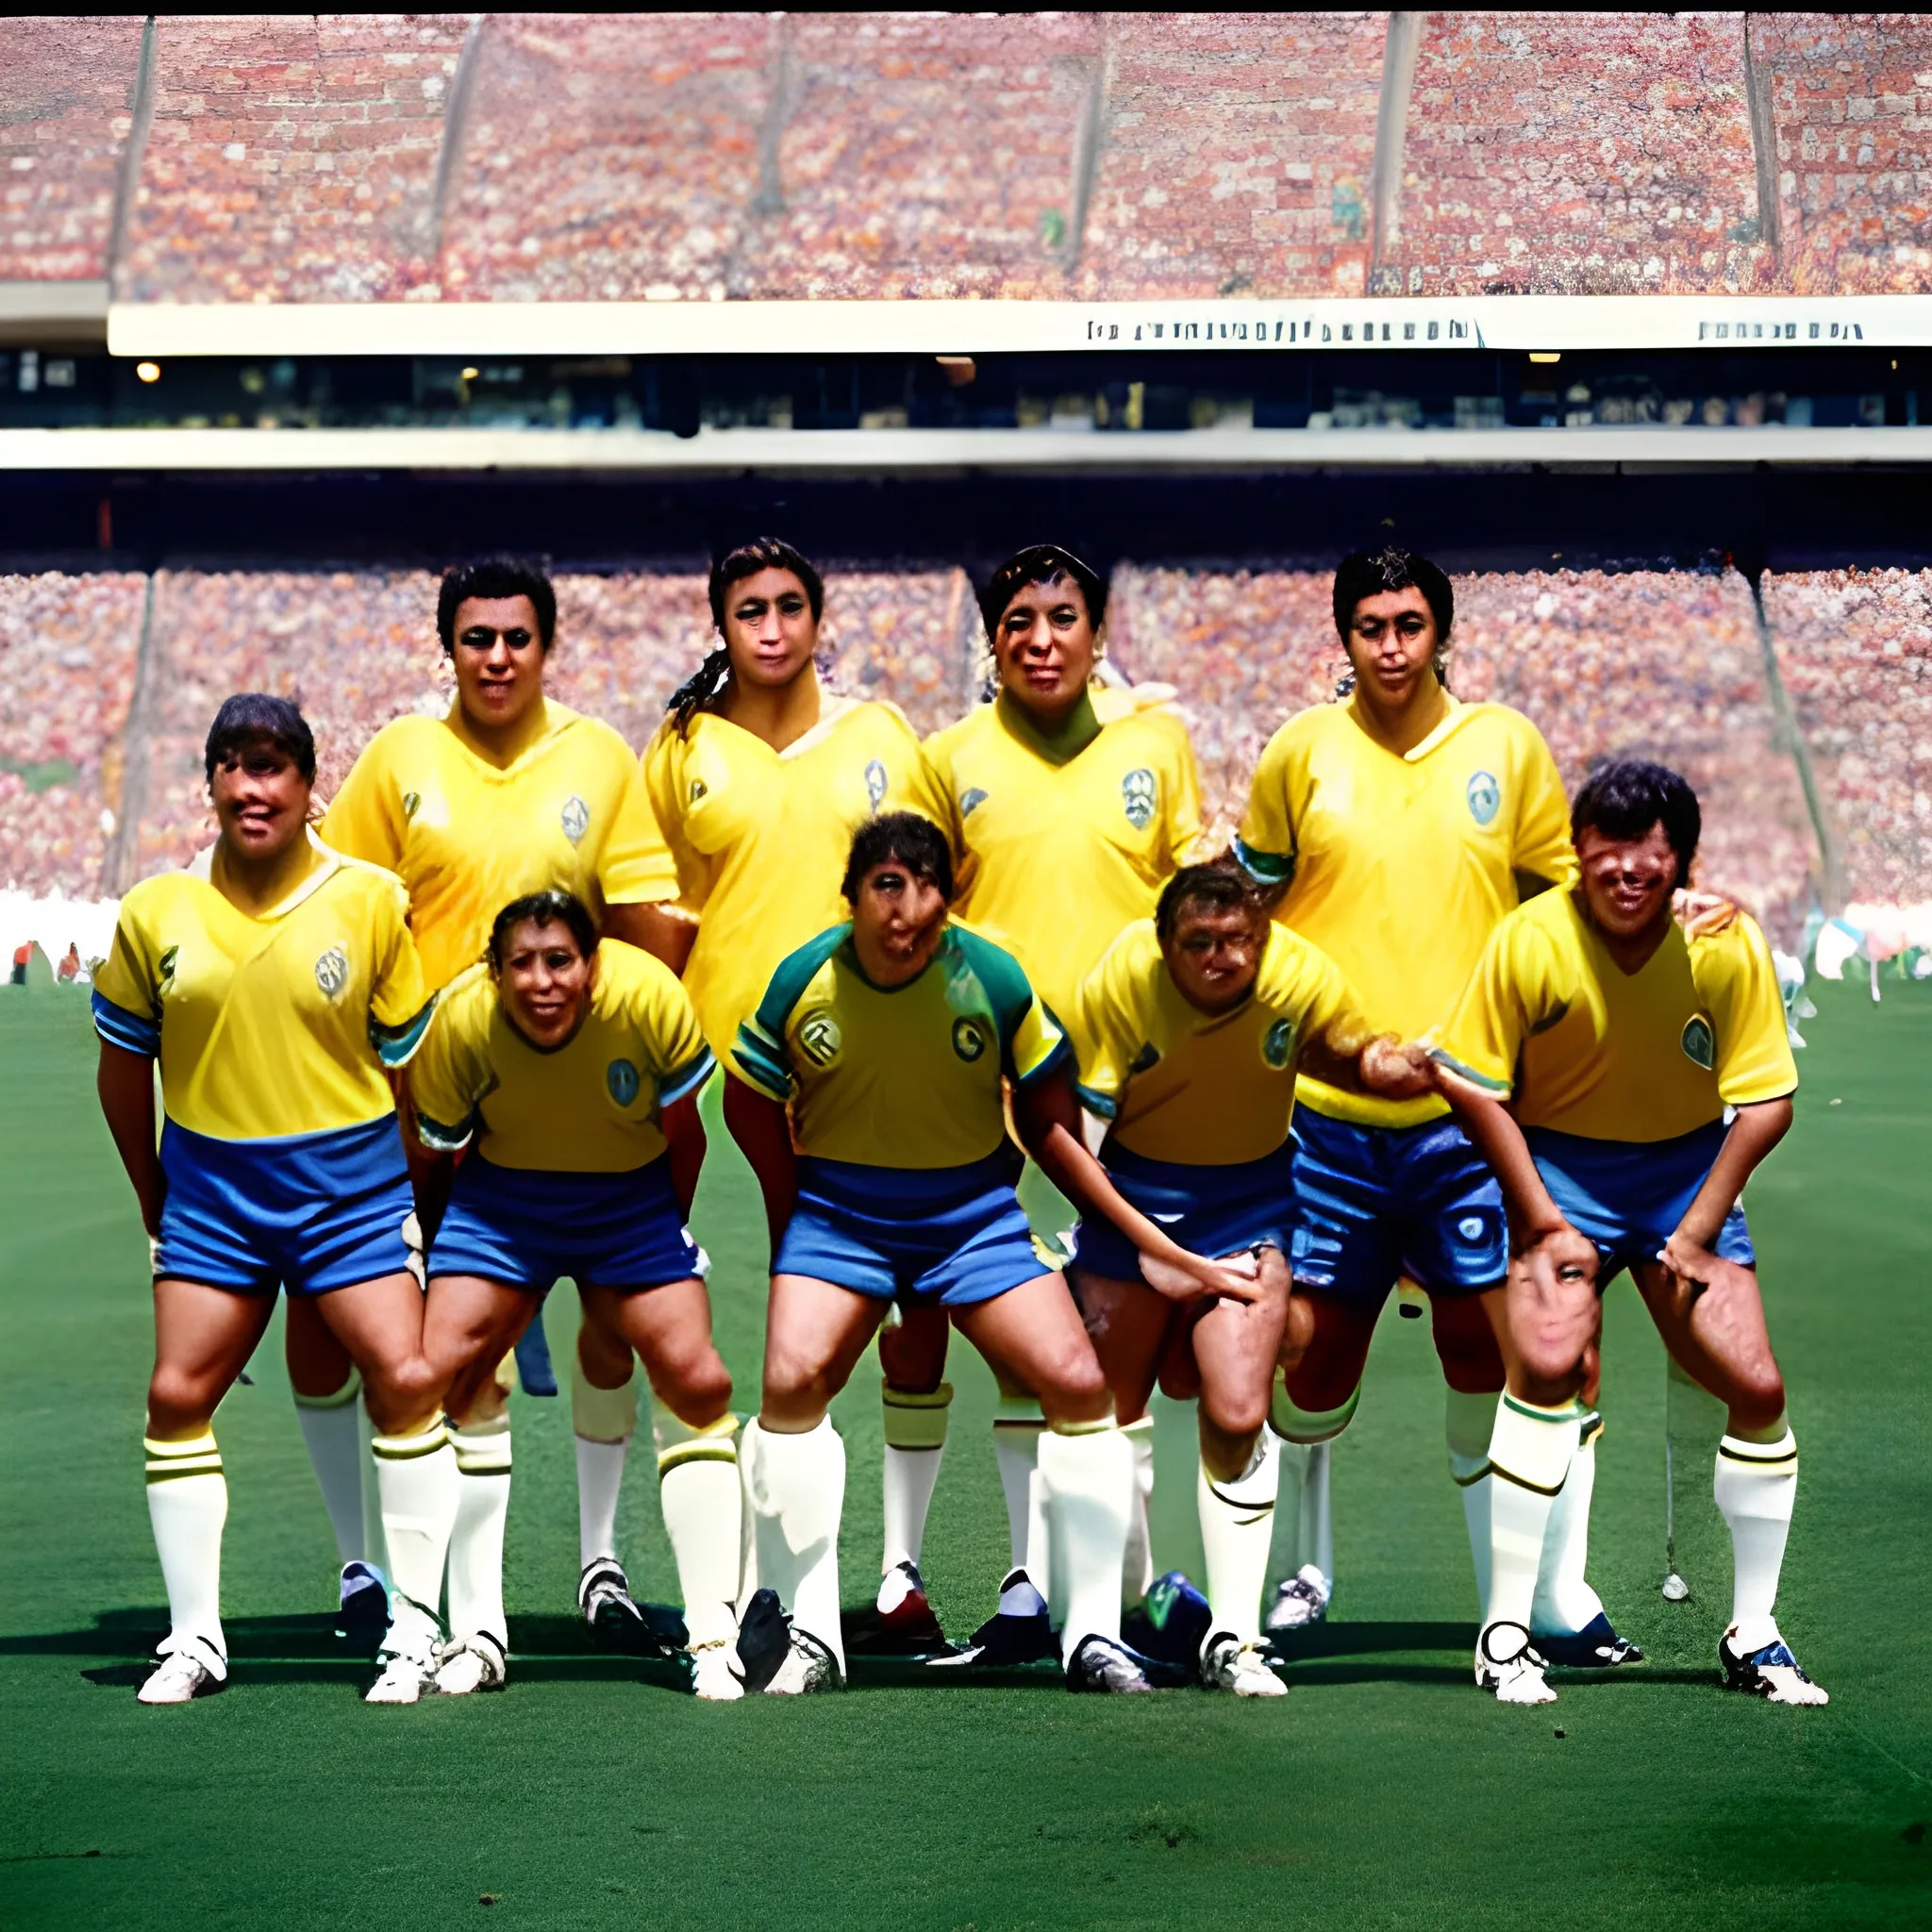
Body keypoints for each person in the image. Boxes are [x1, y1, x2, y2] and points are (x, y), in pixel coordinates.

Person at [725, 813, 1257, 1694]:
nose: (907, 907)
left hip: (970, 1216)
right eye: (886, 886)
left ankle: (1090, 1636)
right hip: (840, 1215)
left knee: (1079, 1387)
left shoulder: (995, 978)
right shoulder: (802, 978)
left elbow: (1050, 1126)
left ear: (951, 893)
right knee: (790, 1382)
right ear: (853, 895)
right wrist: (795, 1225)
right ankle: (811, 1634)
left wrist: (1158, 1246)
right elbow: (750, 1107)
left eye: (925, 885)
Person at [1235, 546, 1636, 1662]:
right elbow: (1241, 910)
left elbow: (1570, 904)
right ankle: (1276, 1570)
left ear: (1439, 631)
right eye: (1369, 625)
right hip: (1321, 1112)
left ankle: (1553, 1596)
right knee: (1306, 1360)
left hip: (1471, 1116)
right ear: (1343, 637)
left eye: (1408, 622)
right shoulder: (1297, 754)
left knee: (1499, 1343)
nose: (1391, 644)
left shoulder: (1503, 746)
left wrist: (1677, 909)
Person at [307, 556, 685, 1651]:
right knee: (443, 1351)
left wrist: (633, 1048)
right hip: (427, 1101)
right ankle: (443, 1601)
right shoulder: (400, 759)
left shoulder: (597, 757)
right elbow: (344, 909)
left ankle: (598, 1561)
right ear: (450, 647)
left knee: (611, 1329)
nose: (498, 656)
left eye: (517, 636)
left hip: (576, 1098)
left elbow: (646, 920)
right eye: (477, 637)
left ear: (546, 644)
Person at [1430, 759, 1824, 1706]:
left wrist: (1692, 1231)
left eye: (1648, 854)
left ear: (1679, 860)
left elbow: (1766, 1100)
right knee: (1548, 1361)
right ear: (1577, 853)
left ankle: (1753, 1631)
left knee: (1755, 1382)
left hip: (1682, 1172)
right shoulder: (1529, 939)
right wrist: (1535, 1211)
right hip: (1559, 1167)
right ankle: (1504, 1631)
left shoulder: (1721, 943)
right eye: (1606, 852)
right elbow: (1469, 1082)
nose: (1625, 871)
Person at [880, 542, 1212, 1660]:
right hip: (978, 1067)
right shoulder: (947, 757)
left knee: (1110, 1323)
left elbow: (1195, 906)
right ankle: (1033, 1587)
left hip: (1121, 1073)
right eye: (1016, 619)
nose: (1038, 637)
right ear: (993, 639)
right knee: (1016, 1320)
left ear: (1096, 630)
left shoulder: (1155, 747)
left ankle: (1115, 1581)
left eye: (1060, 616)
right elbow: (912, 912)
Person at [90, 694, 447, 1704]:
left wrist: (417, 1199)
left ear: (306, 785)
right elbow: (123, 1069)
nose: (255, 787)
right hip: (212, 1194)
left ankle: (412, 1633)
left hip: (350, 1191)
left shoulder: (371, 899)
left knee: (406, 1377)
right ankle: (197, 1639)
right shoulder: (155, 909)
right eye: (236, 766)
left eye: (275, 766)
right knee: (174, 1398)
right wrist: (157, 1198)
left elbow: (412, 1075)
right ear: (210, 782)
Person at [641, 537, 955, 1635]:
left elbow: (926, 899)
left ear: (818, 620)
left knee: (900, 1303)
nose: (768, 628)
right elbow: (659, 917)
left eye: (786, 607)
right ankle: (761, 1577)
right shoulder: (682, 746)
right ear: (719, 624)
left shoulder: (880, 737)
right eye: (746, 610)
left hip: (863, 1057)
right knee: (697, 1299)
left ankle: (898, 1570)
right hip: (719, 1066)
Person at [1067, 859, 1434, 1694]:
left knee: (1237, 1411)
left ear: (1261, 937)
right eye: (1198, 943)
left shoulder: (1298, 970)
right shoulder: (1121, 977)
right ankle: (1099, 1627)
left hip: (1247, 1205)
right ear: (1165, 945)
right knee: (1105, 1414)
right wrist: (1109, 1234)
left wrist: (1399, 1064)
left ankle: (1232, 1638)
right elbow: (1086, 1118)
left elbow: (1347, 1050)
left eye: (1237, 941)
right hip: (1135, 1201)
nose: (1221, 959)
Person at [401, 891, 741, 1701]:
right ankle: (471, 1631)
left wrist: (668, 1231)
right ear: (495, 969)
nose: (542, 982)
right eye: (521, 963)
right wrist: (440, 1254)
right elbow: (434, 1157)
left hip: (627, 1204)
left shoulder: (650, 995)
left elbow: (687, 1130)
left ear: (593, 963)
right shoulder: (458, 1020)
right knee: (439, 1375)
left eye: (560, 961)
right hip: (501, 1205)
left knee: (697, 1377)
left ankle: (714, 1635)